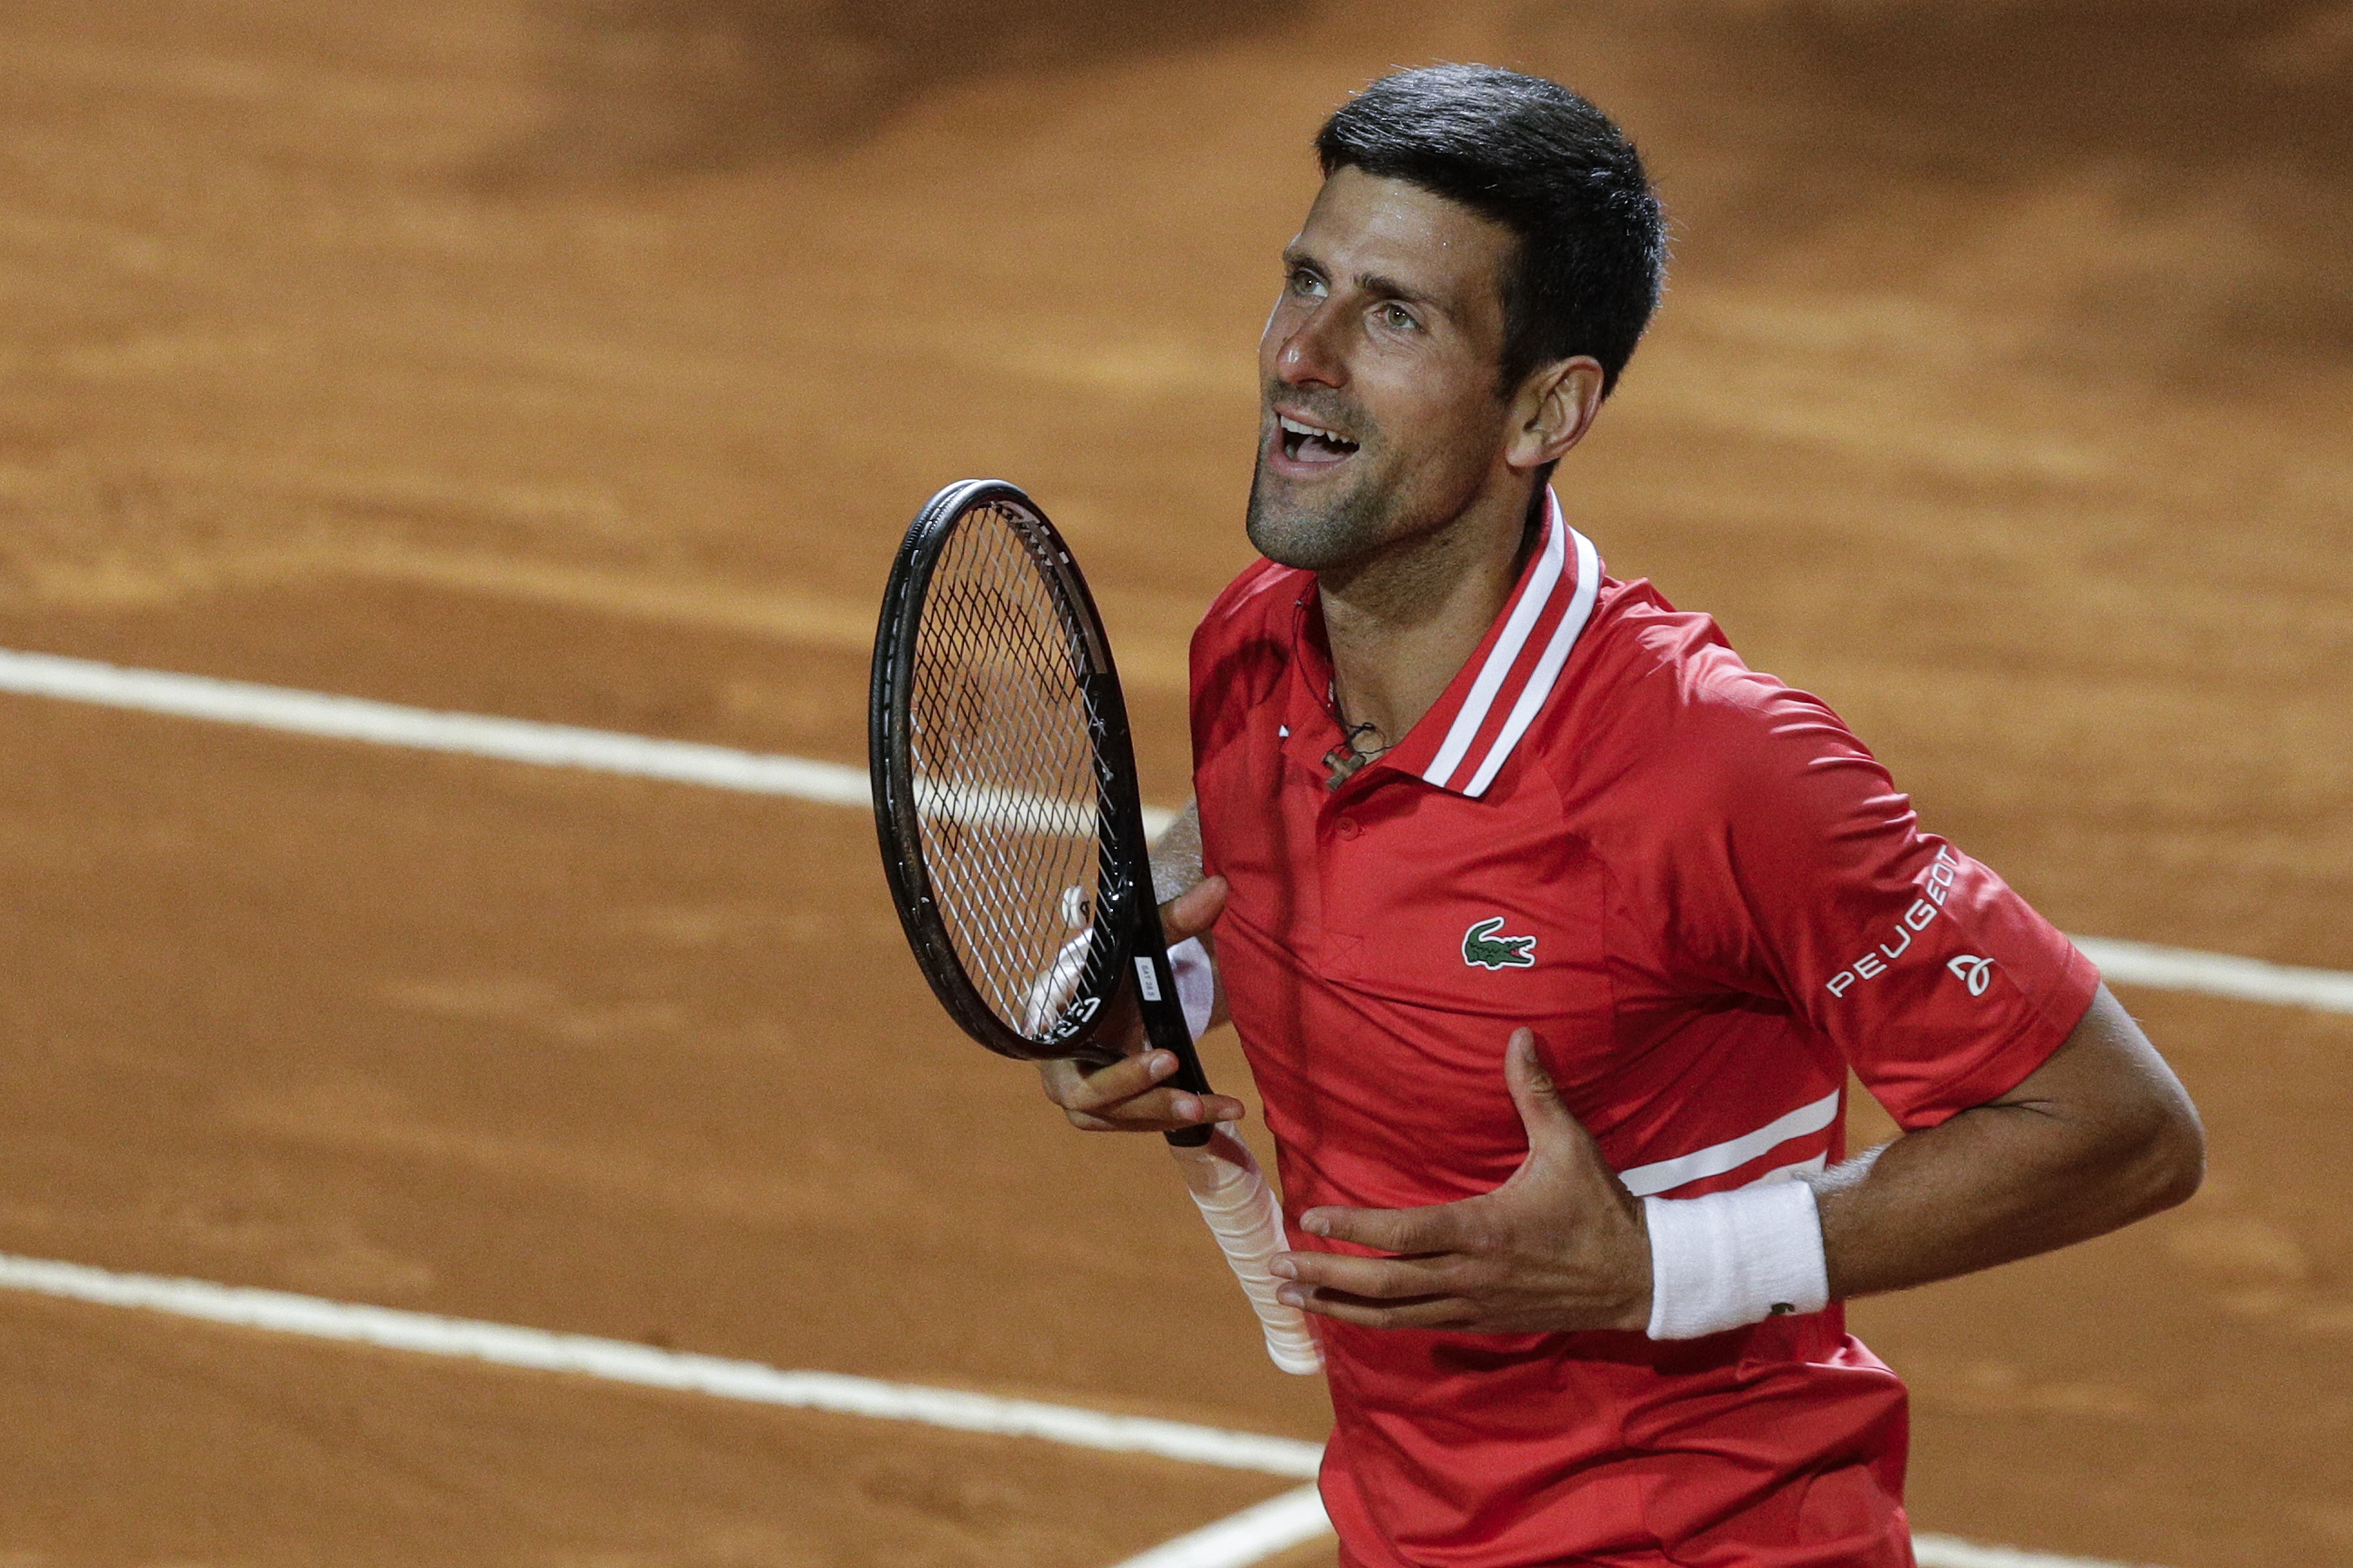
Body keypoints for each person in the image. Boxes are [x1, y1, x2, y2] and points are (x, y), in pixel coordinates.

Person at [1038, 65, 2205, 1568]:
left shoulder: (1717, 768)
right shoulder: (1259, 642)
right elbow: (1248, 830)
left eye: (1394, 316)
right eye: (1306, 280)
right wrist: (1150, 986)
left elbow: (2120, 1127)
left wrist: (1655, 1265)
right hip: (1408, 1529)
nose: (1299, 356)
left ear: (1546, 407)